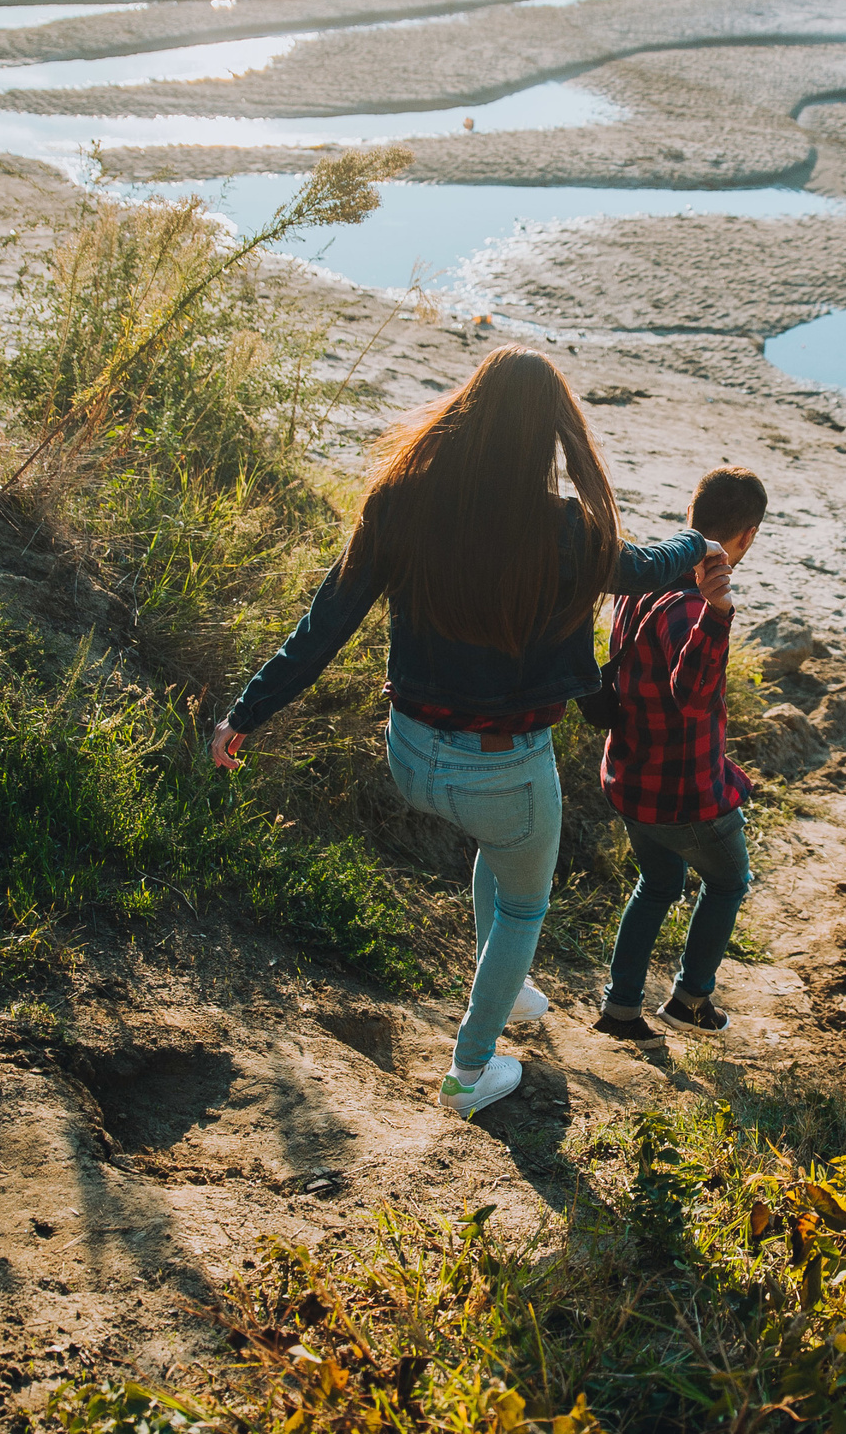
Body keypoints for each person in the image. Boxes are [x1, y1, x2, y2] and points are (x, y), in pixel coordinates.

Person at [209, 347, 718, 1118]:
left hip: (410, 756)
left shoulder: (399, 501)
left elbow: (324, 627)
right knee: (522, 905)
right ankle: (469, 1073)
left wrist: (243, 713)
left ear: (467, 411)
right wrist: (698, 544)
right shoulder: (565, 530)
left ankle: (506, 988)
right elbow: (642, 566)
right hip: (504, 771)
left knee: (500, 852)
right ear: (550, 433)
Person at [592, 467, 768, 1043]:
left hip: (632, 781)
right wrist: (718, 615)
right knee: (728, 882)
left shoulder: (649, 578)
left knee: (659, 885)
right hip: (686, 794)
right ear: (745, 536)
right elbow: (693, 699)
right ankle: (691, 1000)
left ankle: (620, 1009)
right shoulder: (695, 607)